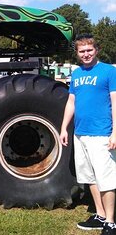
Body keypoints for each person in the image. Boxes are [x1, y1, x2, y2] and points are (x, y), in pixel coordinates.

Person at [60, 34, 116, 235]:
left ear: (96, 50)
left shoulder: (109, 71)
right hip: (80, 133)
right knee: (89, 176)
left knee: (106, 178)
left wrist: (115, 133)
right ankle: (100, 215)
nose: (86, 54)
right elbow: (71, 102)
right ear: (77, 53)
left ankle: (110, 222)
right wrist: (64, 128)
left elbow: (115, 102)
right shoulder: (76, 74)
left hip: (101, 133)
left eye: (89, 50)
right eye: (82, 51)